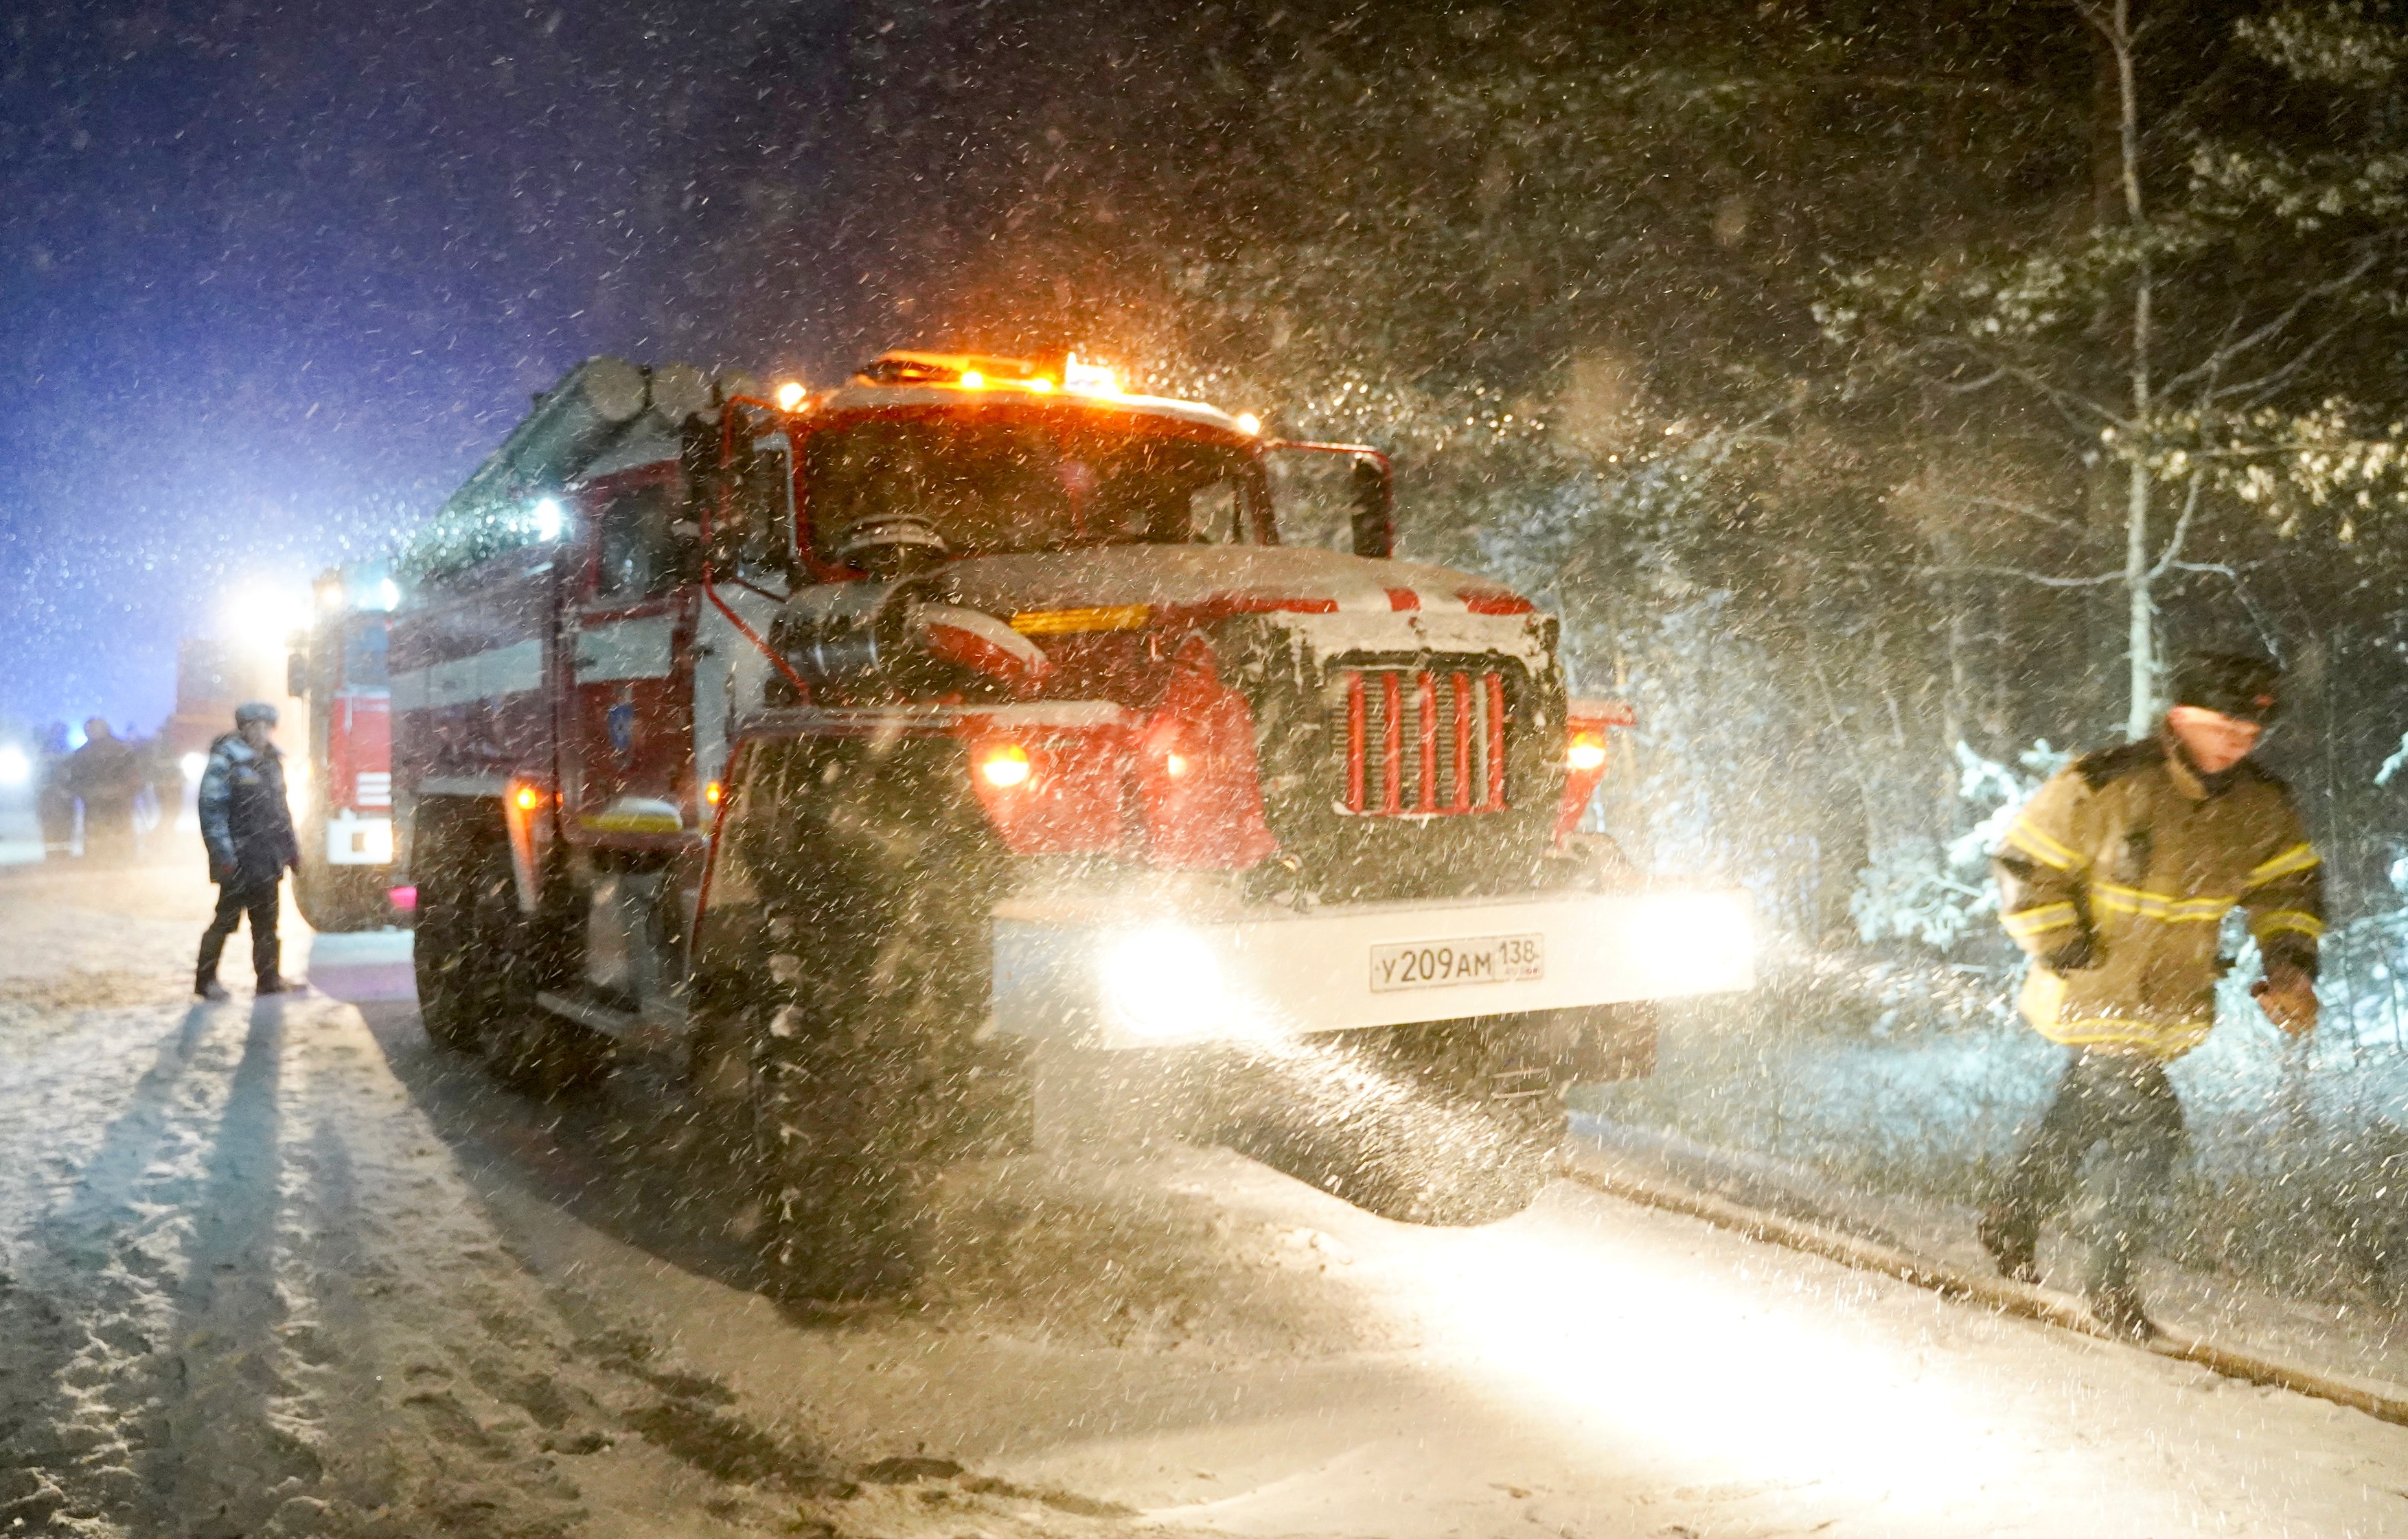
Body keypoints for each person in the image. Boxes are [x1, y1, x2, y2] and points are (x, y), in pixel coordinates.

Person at [1979, 652, 2321, 1339]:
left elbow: (2287, 890)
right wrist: (2064, 946)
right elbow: (2023, 867)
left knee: (2082, 1113)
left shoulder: (2260, 806)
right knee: (2152, 1130)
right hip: (2093, 995)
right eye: (2224, 726)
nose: (2237, 742)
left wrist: (2288, 963)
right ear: (2179, 717)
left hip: (2167, 1006)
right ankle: (2110, 1288)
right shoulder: (2106, 783)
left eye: (2249, 733)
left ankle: (2011, 1217)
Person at [194, 702, 305, 999]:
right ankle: (205, 981)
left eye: (266, 726)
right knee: (226, 920)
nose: (261, 732)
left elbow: (281, 811)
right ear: (242, 728)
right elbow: (211, 811)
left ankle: (269, 980)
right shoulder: (226, 761)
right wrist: (224, 855)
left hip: (267, 859)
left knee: (267, 922)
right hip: (238, 859)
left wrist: (292, 850)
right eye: (254, 726)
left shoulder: (272, 761)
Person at [65, 717, 144, 864]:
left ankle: (115, 860)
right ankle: (112, 860)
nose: (92, 731)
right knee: (104, 835)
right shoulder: (84, 754)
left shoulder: (121, 751)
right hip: (102, 803)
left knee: (116, 834)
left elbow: (134, 777)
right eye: (90, 729)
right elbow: (75, 781)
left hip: (113, 802)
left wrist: (121, 790)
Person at [34, 721, 75, 860]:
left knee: (63, 827)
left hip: (62, 798)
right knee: (51, 828)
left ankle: (61, 854)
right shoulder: (45, 751)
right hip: (51, 797)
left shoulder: (67, 752)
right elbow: (39, 777)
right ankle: (54, 855)